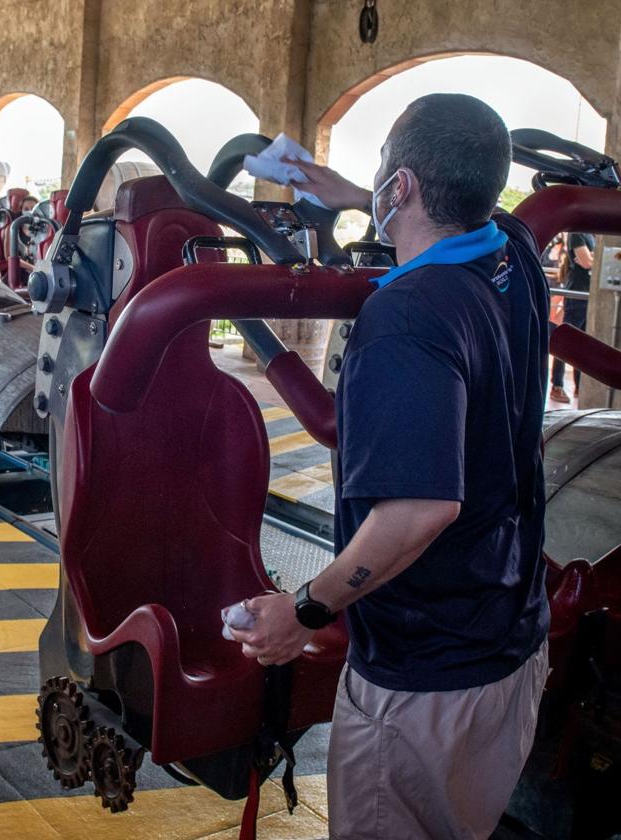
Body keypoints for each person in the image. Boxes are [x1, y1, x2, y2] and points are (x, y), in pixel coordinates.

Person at [230, 94, 549, 840]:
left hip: (422, 684)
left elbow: (417, 510)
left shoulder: (406, 316)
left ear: (399, 187)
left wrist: (303, 610)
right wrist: (350, 191)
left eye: (381, 172)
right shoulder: (518, 252)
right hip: (509, 642)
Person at [550, 232, 593, 402]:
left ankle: (579, 387)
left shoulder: (591, 236)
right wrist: (592, 259)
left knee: (583, 345)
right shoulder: (577, 234)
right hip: (576, 295)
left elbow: (591, 261)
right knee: (566, 341)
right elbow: (586, 262)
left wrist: (591, 258)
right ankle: (557, 385)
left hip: (587, 295)